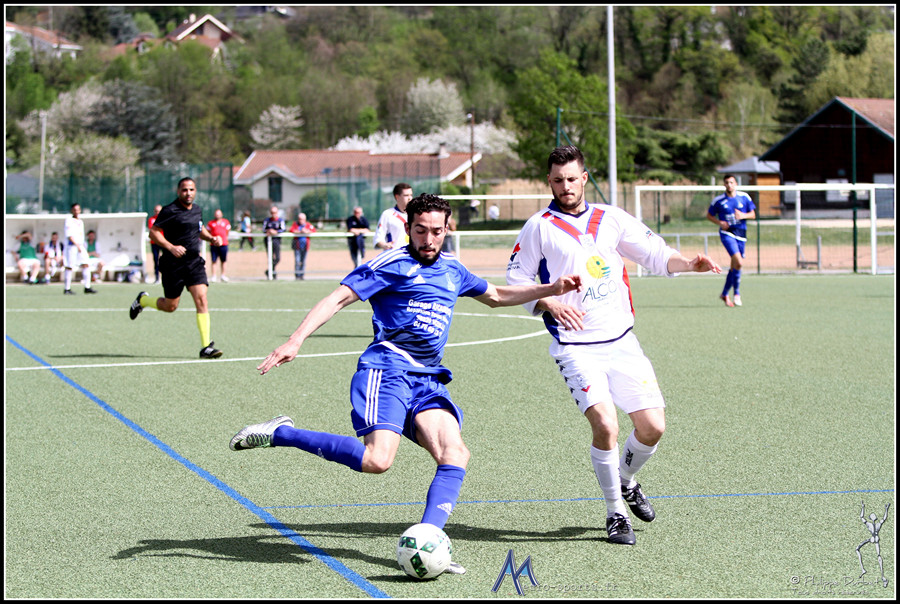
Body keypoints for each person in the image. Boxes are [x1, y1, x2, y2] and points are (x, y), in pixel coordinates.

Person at [230, 193, 582, 573]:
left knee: (455, 453)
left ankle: (429, 541)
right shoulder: (391, 264)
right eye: (420, 230)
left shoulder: (453, 269)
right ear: (408, 228)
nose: (429, 239)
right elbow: (337, 299)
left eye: (437, 231)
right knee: (377, 461)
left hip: (428, 377)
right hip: (388, 370)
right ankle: (281, 433)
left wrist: (550, 289)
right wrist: (296, 340)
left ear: (447, 229)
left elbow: (496, 295)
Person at [506, 145, 723, 546]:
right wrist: (549, 301)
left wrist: (689, 264)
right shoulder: (538, 226)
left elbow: (656, 255)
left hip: (622, 342)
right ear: (548, 181)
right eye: (558, 180)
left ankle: (625, 479)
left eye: (572, 179)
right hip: (575, 346)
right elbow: (517, 278)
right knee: (606, 425)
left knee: (653, 427)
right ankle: (615, 512)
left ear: (585, 178)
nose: (566, 186)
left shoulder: (612, 218)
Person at [129, 177, 224, 359]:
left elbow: (199, 229)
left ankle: (206, 347)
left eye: (191, 190)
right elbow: (154, 233)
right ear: (178, 191)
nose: (188, 193)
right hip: (173, 265)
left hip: (194, 263)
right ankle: (143, 301)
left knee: (202, 299)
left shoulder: (197, 209)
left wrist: (211, 238)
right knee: (170, 306)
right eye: (184, 190)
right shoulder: (169, 210)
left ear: (195, 191)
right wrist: (171, 247)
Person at [706, 174, 756, 307]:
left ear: (736, 184)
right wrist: (719, 222)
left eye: (731, 182)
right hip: (727, 234)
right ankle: (737, 294)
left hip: (741, 235)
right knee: (739, 261)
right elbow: (709, 215)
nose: (729, 185)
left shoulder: (744, 197)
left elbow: (753, 214)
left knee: (735, 266)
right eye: (727, 182)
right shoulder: (719, 200)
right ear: (724, 184)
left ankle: (724, 293)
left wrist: (743, 215)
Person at [63, 203, 97, 295]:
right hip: (72, 246)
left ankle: (87, 287)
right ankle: (67, 288)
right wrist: (77, 245)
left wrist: (80, 246)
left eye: (78, 209)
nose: (76, 211)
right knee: (69, 266)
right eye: (74, 210)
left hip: (80, 246)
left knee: (86, 264)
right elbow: (69, 235)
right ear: (72, 211)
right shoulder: (69, 221)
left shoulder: (80, 221)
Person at [374, 182, 412, 251]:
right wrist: (385, 245)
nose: (410, 198)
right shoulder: (387, 214)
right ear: (397, 197)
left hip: (411, 255)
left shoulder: (415, 214)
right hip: (395, 254)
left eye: (411, 195)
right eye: (406, 195)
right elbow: (378, 238)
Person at [289, 211, 316, 280]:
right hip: (297, 246)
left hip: (305, 246)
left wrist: (306, 231)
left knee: (303, 261)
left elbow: (313, 230)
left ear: (305, 219)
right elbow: (291, 230)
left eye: (302, 219)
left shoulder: (308, 225)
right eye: (299, 219)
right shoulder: (295, 224)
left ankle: (302, 275)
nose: (301, 220)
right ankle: (297, 275)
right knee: (297, 261)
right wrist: (300, 232)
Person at [207, 208, 231, 283]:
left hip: (224, 244)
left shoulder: (226, 222)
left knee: (223, 260)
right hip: (213, 244)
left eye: (219, 214)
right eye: (216, 214)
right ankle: (214, 276)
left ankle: (223, 275)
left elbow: (227, 231)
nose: (217, 215)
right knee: (214, 260)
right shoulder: (210, 223)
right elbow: (208, 232)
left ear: (221, 214)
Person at [263, 205, 285, 279]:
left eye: (275, 212)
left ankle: (270, 271)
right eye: (272, 212)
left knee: (277, 258)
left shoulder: (280, 220)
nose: (273, 214)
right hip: (268, 240)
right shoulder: (267, 220)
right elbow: (263, 229)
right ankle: (272, 274)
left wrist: (275, 232)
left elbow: (283, 229)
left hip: (276, 240)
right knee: (270, 258)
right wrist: (269, 231)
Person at [148, 204, 163, 283]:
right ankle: (157, 277)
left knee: (166, 260)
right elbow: (153, 230)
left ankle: (166, 277)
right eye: (156, 211)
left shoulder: (165, 219)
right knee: (156, 260)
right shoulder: (151, 219)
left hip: (163, 243)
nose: (158, 213)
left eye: (159, 211)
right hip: (154, 243)